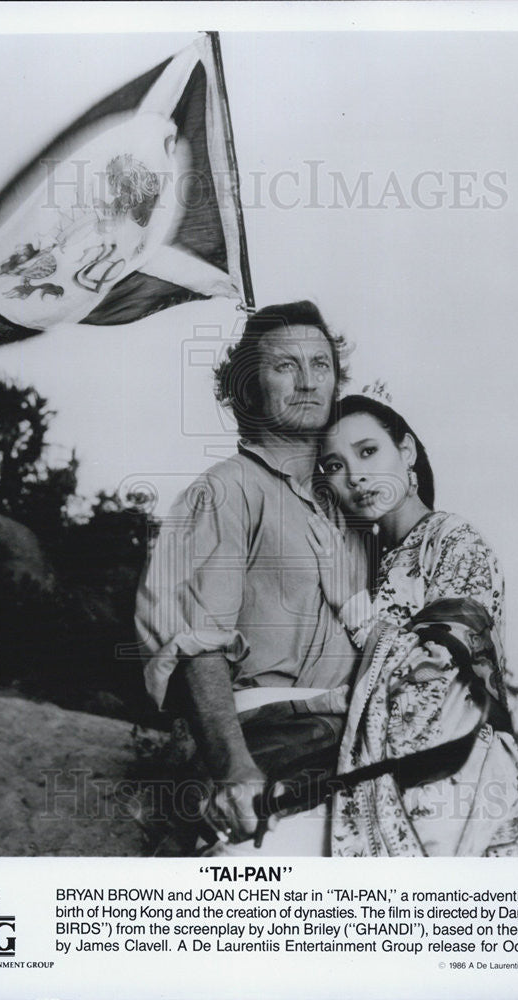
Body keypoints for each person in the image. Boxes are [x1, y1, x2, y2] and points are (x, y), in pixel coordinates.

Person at [135, 302, 366, 851]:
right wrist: (236, 770)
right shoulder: (225, 491)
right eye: (285, 366)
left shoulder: (356, 510)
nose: (308, 381)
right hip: (264, 747)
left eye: (321, 364)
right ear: (248, 386)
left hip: (355, 749)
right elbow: (198, 645)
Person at [306, 394, 518, 856]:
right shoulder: (368, 561)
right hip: (379, 781)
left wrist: (354, 608)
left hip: (456, 779)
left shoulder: (456, 541)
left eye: (367, 451)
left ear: (406, 451)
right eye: (335, 466)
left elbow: (441, 673)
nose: (356, 476)